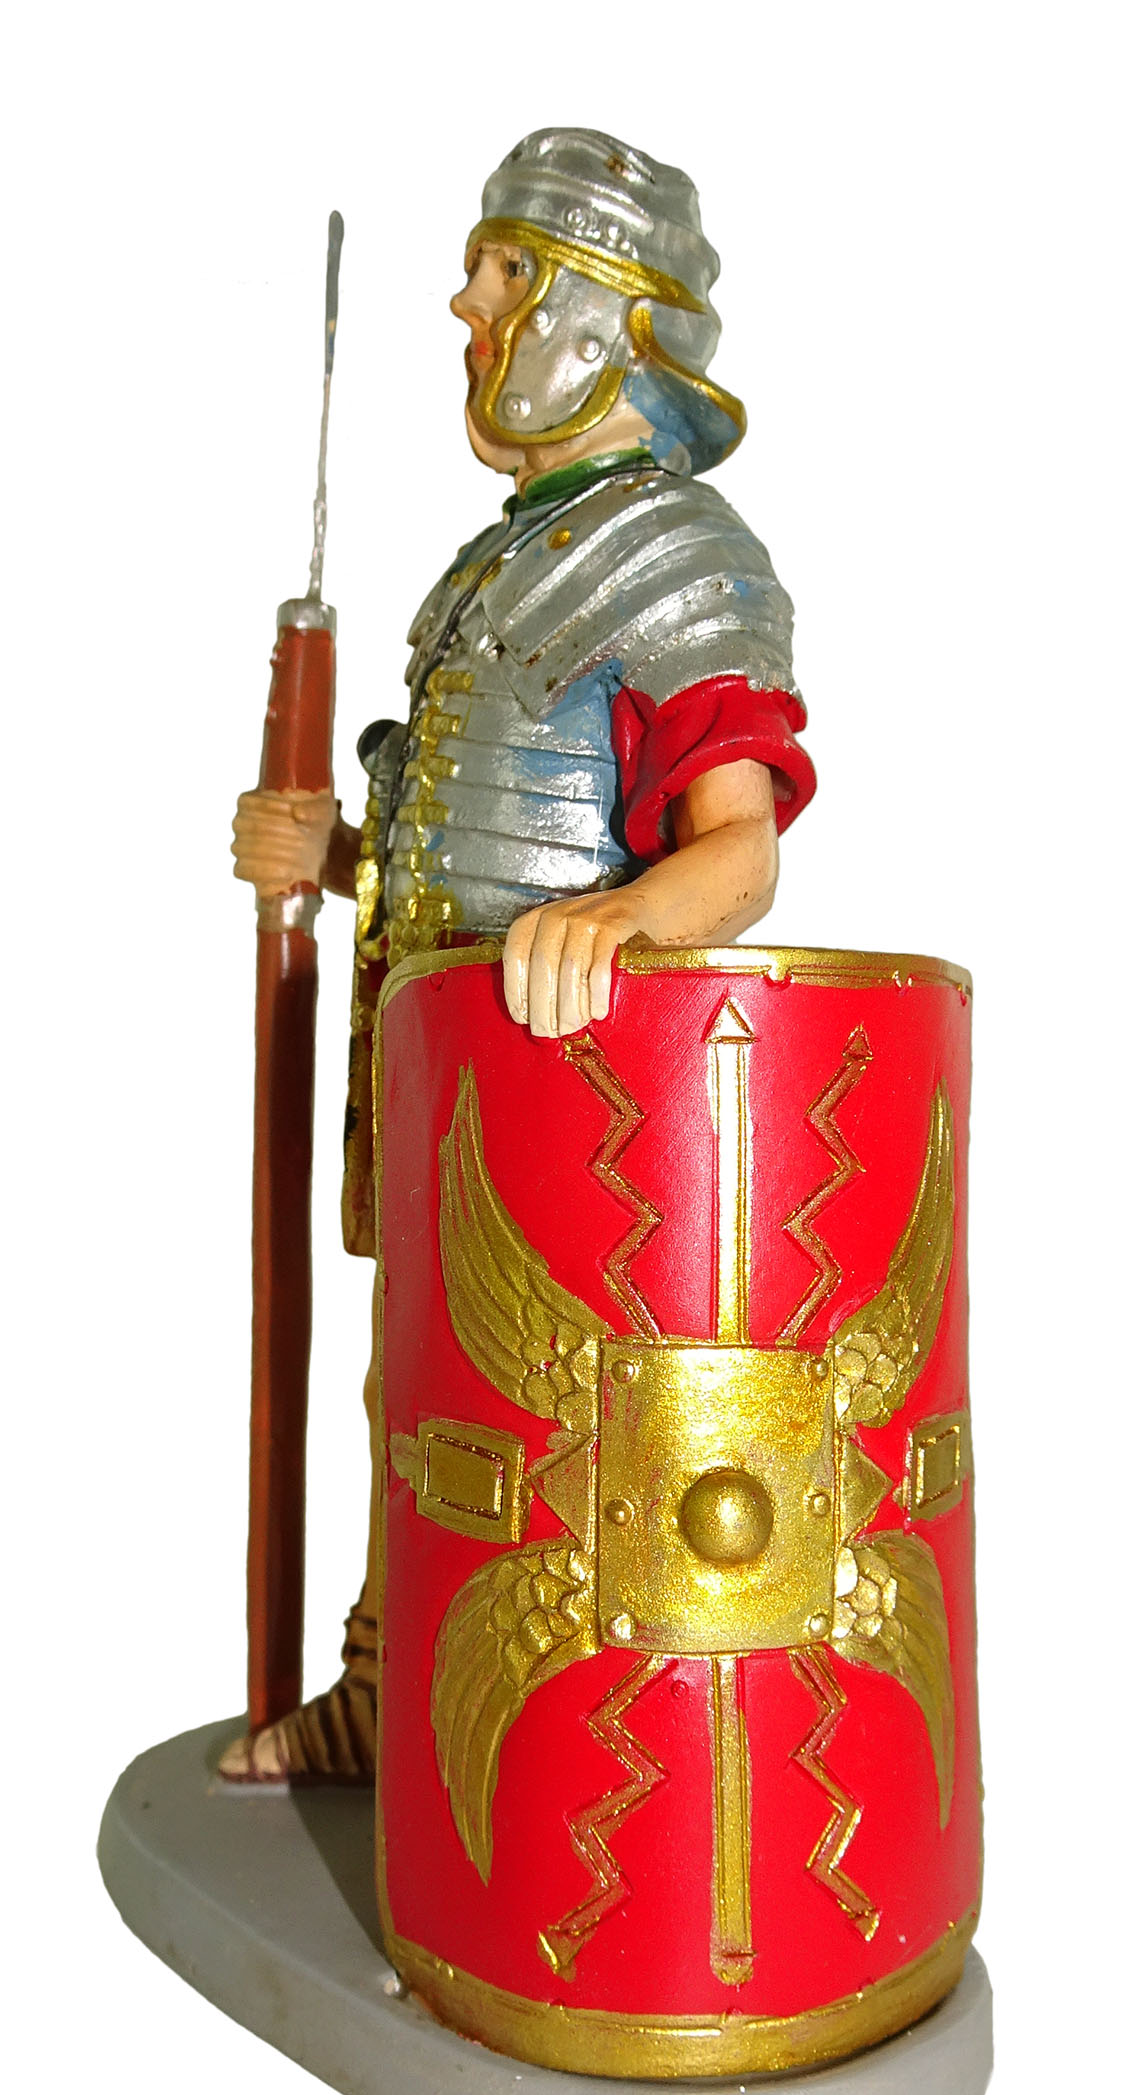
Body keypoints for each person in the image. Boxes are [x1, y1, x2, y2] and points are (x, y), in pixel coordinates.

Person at [224, 125, 816, 1781]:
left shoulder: (676, 553)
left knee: (539, 1426)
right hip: (448, 1055)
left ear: (595, 313)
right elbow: (463, 865)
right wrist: (333, 859)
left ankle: (562, 1774)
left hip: (579, 1095)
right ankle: (378, 1689)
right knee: (407, 1392)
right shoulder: (499, 560)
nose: (465, 307)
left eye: (501, 273)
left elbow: (739, 848)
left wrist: (616, 919)